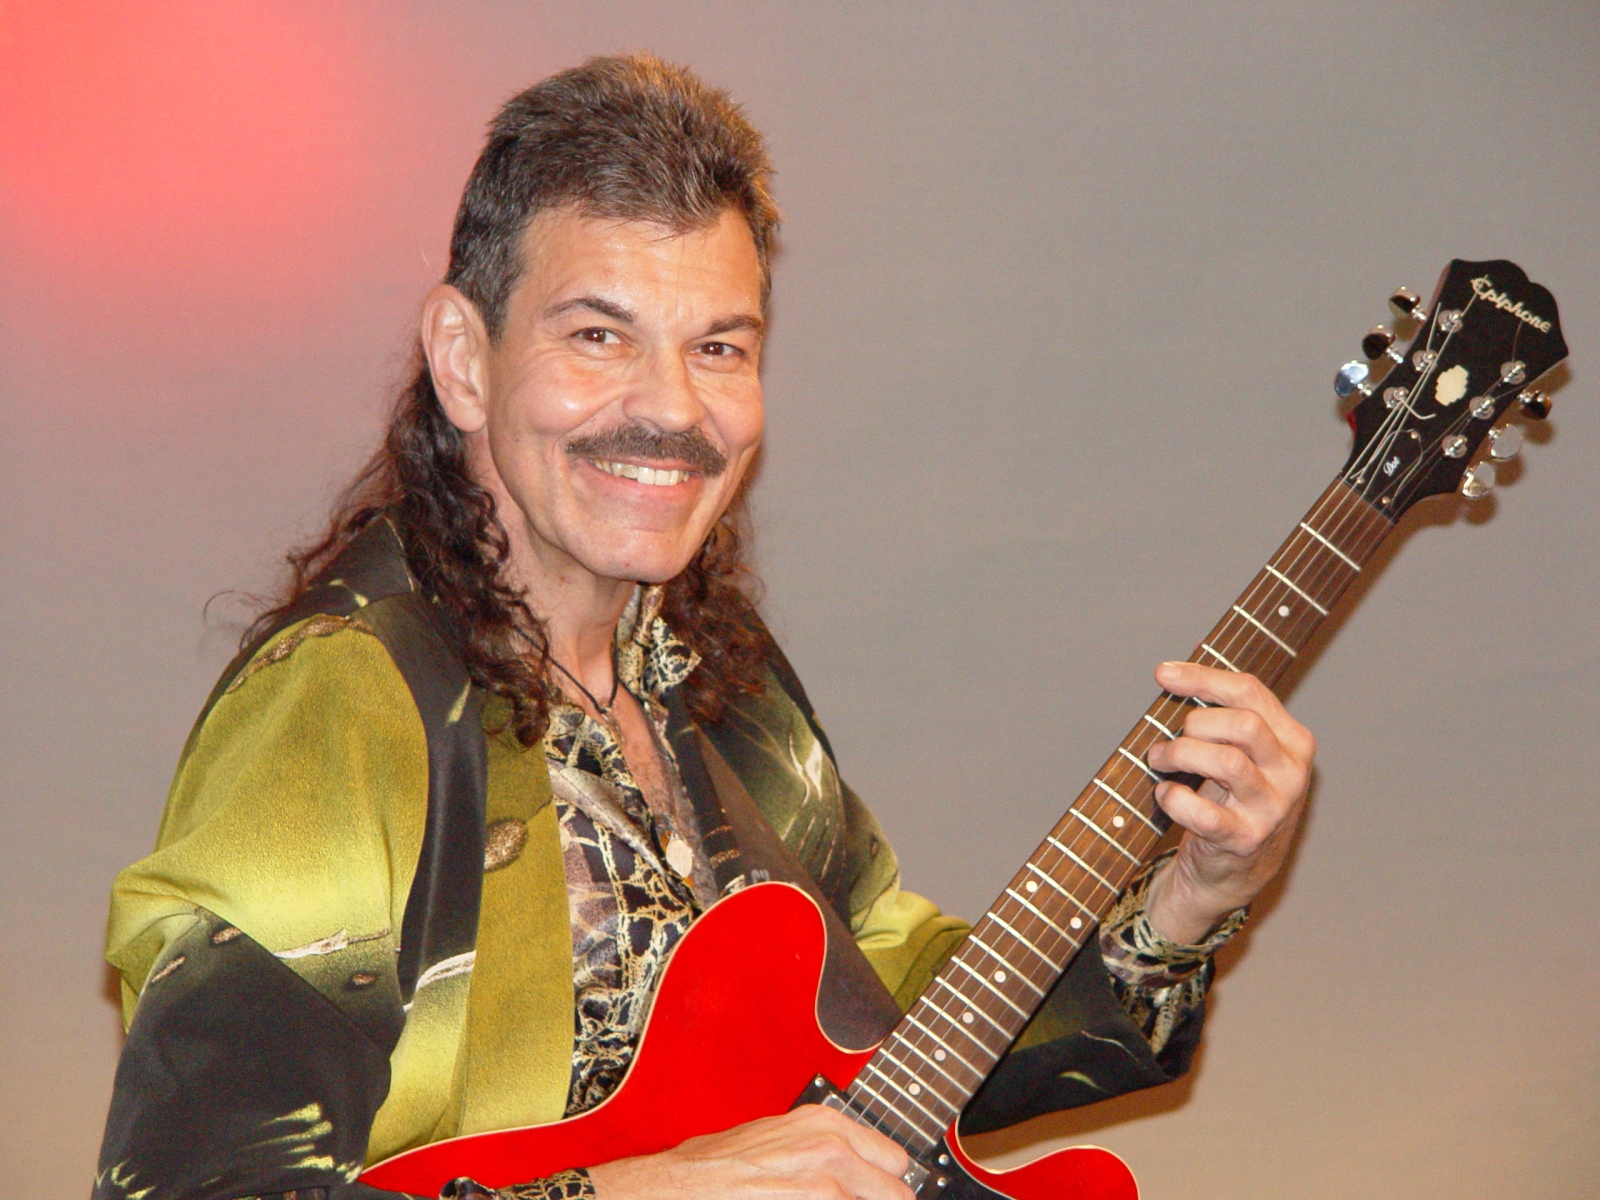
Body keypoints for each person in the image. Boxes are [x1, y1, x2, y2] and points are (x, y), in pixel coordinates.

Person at [95, 54, 1315, 1200]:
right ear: (464, 361)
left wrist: (1189, 898)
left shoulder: (706, 671)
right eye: (598, 335)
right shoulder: (344, 704)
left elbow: (902, 1036)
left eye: (718, 348)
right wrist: (653, 1188)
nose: (672, 409)